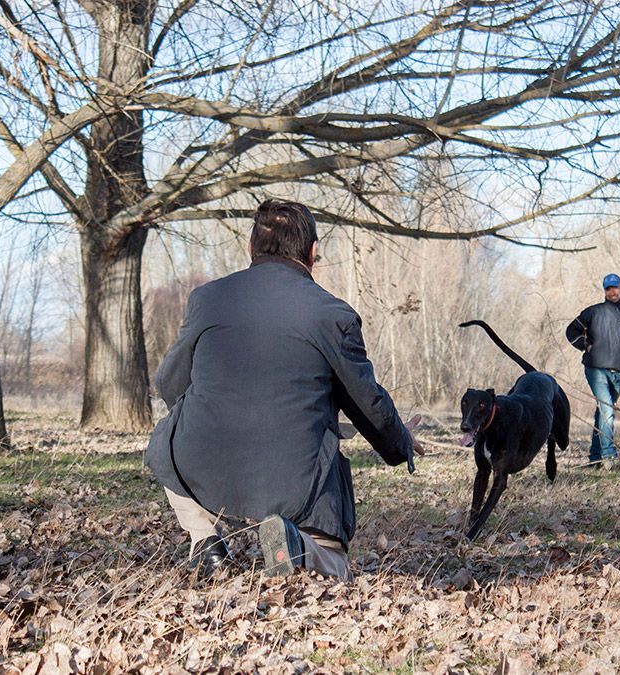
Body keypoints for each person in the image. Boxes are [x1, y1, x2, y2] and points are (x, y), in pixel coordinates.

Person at [144, 199, 421, 580]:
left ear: (250, 249)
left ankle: (204, 539)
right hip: (296, 477)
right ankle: (299, 547)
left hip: (205, 460)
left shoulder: (207, 300)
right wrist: (400, 441)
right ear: (311, 253)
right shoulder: (332, 314)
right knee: (335, 564)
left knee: (166, 441)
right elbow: (366, 401)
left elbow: (169, 383)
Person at [565, 273, 620, 469]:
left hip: (618, 371)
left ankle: (595, 458)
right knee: (607, 409)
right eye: (608, 288)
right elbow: (571, 331)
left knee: (603, 413)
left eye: (615, 287)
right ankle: (610, 456)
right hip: (595, 368)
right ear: (605, 291)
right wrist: (585, 345)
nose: (612, 292)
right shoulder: (594, 312)